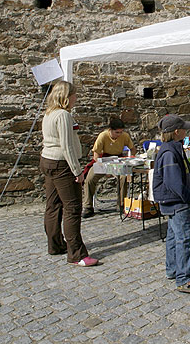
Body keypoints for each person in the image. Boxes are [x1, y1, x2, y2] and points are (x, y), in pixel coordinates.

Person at [39, 80, 98, 267]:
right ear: (66, 96)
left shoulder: (49, 114)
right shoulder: (63, 115)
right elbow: (67, 146)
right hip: (61, 164)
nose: (76, 98)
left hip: (47, 160)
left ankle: (55, 244)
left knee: (53, 205)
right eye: (74, 94)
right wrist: (77, 171)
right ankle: (77, 253)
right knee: (72, 208)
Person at [152, 114, 190, 294]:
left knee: (174, 236)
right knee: (183, 238)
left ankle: (173, 269)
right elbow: (173, 182)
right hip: (176, 202)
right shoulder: (169, 152)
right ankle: (184, 279)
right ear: (177, 132)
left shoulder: (174, 148)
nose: (187, 130)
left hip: (174, 200)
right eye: (184, 128)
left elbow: (185, 173)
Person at [81, 117, 135, 218]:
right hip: (103, 160)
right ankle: (88, 205)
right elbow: (96, 155)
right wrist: (105, 168)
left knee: (123, 177)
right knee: (90, 178)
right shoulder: (103, 136)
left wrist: (131, 158)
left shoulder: (125, 136)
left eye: (120, 132)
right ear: (110, 130)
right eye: (117, 132)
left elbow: (132, 149)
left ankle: (121, 203)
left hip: (117, 160)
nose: (119, 135)